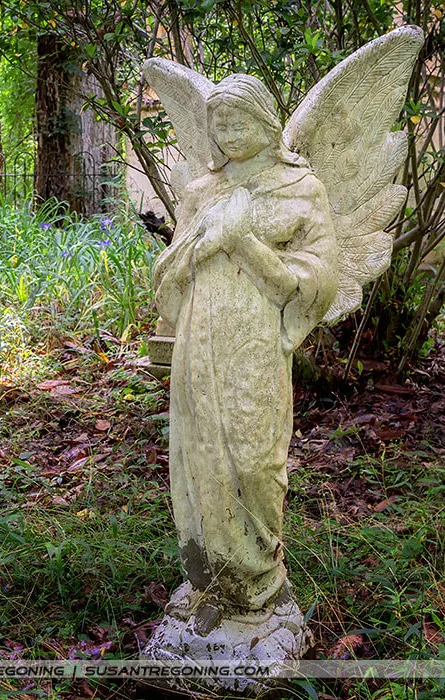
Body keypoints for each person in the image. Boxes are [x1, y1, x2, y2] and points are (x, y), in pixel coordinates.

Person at [152, 74, 338, 612]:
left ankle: (259, 575)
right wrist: (203, 246)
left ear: (265, 121)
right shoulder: (201, 191)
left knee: (255, 460)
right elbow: (168, 273)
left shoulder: (300, 187)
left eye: (239, 119)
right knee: (200, 452)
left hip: (256, 336)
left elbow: (315, 279)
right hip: (199, 331)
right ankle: (211, 579)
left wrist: (244, 242)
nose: (229, 130)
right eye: (219, 122)